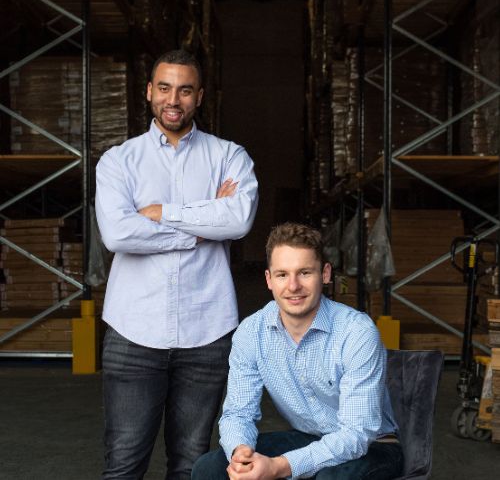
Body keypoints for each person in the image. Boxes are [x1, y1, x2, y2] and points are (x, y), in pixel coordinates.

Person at [95, 49, 258, 479]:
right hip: (134, 331)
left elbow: (238, 219)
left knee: (191, 462)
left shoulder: (229, 156)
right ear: (149, 92)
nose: (174, 99)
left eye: (185, 90)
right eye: (164, 88)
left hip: (207, 332)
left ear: (199, 96)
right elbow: (117, 234)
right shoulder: (118, 161)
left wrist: (160, 213)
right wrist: (204, 225)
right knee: (124, 461)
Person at [192, 222, 404, 480]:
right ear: (269, 279)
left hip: (373, 446)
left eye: (304, 273)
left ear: (325, 274)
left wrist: (280, 466)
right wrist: (241, 452)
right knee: (209, 469)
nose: (293, 286)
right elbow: (238, 413)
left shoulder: (356, 332)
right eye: (282, 274)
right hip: (308, 437)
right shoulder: (251, 332)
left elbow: (356, 435)